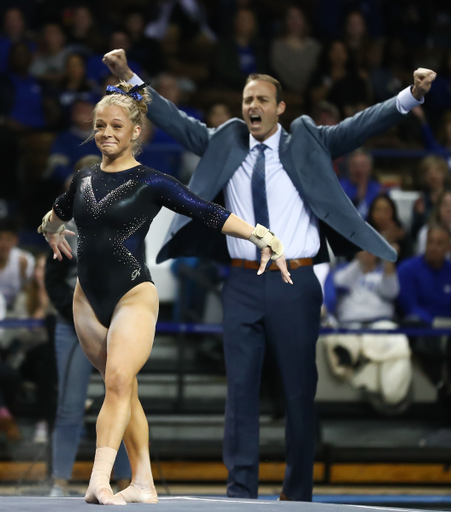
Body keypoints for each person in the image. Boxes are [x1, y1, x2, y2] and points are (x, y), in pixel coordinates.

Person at [102, 48, 435, 501]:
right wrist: (126, 77)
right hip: (240, 282)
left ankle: (297, 494)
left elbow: (362, 124)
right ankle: (241, 492)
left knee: (299, 392)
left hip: (295, 283)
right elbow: (175, 119)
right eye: (246, 100)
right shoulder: (225, 139)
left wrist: (410, 95)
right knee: (239, 393)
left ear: (280, 108)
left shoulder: (307, 140)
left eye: (261, 100)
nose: (252, 107)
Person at [38, 79, 291, 505]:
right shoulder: (82, 179)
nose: (106, 133)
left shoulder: (152, 182)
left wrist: (259, 235)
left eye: (116, 126)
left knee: (117, 381)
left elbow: (206, 211)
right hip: (87, 300)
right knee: (125, 388)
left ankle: (99, 479)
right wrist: (50, 231)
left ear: (136, 131)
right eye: (99, 126)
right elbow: (58, 213)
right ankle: (143, 482)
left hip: (132, 294)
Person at [45, 155, 131, 496]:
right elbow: (53, 280)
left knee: (121, 398)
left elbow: (133, 275)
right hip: (74, 325)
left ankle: (126, 480)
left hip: (118, 325)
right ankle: (59, 482)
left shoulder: (126, 222)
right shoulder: (61, 224)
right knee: (70, 404)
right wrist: (81, 316)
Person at [398, 224, 451, 326]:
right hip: (420, 330)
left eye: (439, 243)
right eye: (430, 241)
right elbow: (409, 306)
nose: (433, 247)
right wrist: (434, 322)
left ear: (448, 247)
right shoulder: (407, 269)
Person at [269, 6, 321, 95]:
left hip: (310, 94)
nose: (295, 21)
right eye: (291, 17)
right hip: (285, 93)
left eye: (298, 17)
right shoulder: (277, 45)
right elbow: (279, 69)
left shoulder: (315, 47)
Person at [367, 194, 412, 262]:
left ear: (393, 212)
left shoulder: (401, 234)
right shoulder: (365, 231)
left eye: (386, 211)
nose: (381, 215)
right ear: (371, 212)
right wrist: (386, 239)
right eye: (378, 210)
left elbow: (407, 259)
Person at [339, 149, 381, 219]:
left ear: (370, 167)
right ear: (349, 167)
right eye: (355, 166)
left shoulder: (378, 190)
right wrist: (357, 198)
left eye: (363, 165)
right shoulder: (339, 188)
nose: (359, 170)